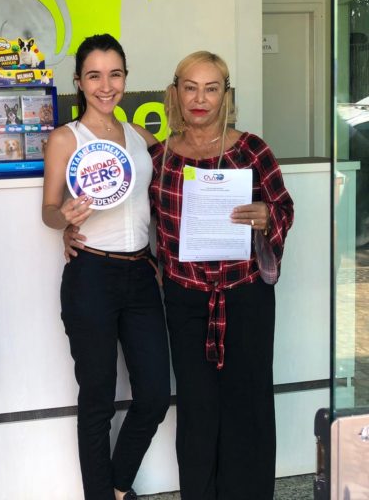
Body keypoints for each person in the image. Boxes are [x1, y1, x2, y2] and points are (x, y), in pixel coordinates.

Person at [150, 51, 294, 500]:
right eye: (190, 88)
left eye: (211, 89)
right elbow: (138, 222)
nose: (200, 99)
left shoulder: (252, 150)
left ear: (225, 95)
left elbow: (284, 208)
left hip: (245, 297)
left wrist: (267, 218)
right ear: (175, 92)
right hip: (186, 301)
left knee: (247, 404)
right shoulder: (160, 157)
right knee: (196, 409)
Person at [42, 33, 172, 500]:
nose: (105, 85)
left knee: (155, 394)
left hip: (140, 274)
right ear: (79, 81)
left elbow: (173, 190)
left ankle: (116, 485)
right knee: (97, 400)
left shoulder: (140, 137)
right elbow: (48, 210)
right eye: (94, 75)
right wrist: (64, 219)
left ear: (125, 79)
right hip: (91, 275)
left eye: (114, 74)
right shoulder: (66, 139)